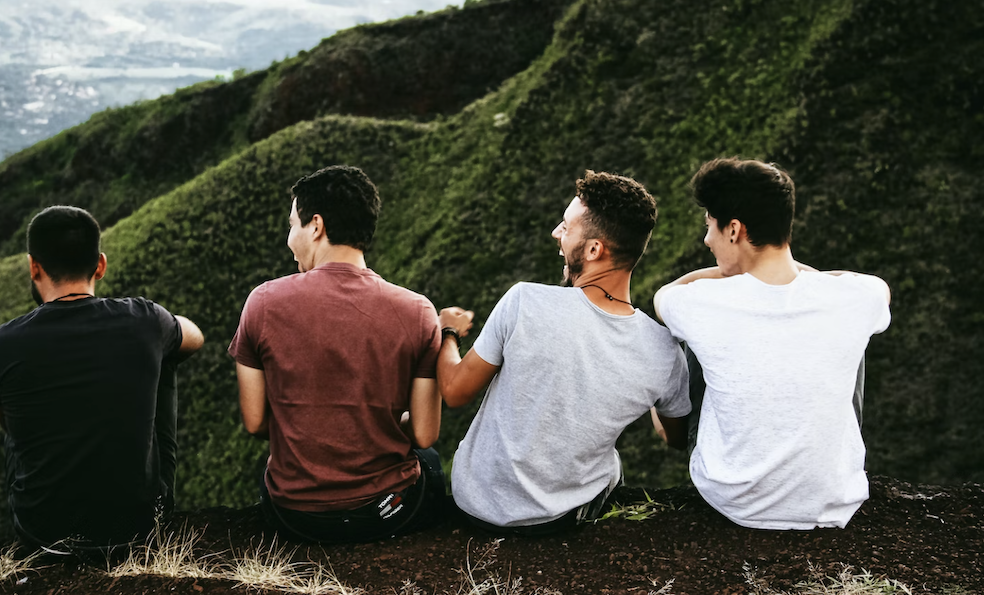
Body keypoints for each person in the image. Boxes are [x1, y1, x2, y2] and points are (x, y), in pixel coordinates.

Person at [437, 170, 692, 535]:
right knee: (612, 464)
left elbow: (454, 391)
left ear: (593, 250)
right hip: (560, 520)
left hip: (475, 505)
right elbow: (675, 438)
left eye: (566, 227)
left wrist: (448, 332)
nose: (556, 233)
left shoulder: (524, 300)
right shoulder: (664, 351)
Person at [653, 157, 891, 530]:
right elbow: (875, 287)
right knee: (850, 334)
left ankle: (678, 440)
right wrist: (800, 275)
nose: (706, 240)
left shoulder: (699, 301)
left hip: (733, 499)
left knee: (690, 339)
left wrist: (727, 273)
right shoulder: (857, 297)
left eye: (710, 227)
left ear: (734, 229)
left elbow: (664, 296)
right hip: (831, 501)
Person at [230, 165, 445, 543]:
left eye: (292, 225)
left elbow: (255, 422)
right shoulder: (419, 311)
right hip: (385, 513)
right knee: (430, 462)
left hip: (295, 516)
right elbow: (425, 433)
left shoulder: (262, 302)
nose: (288, 239)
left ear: (316, 226)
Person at [0, 206, 204, 551]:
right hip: (136, 525)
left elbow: (10, 426)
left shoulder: (1, 343)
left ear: (33, 266)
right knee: (166, 356)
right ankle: (154, 502)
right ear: (100, 265)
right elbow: (195, 337)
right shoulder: (144, 319)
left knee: (19, 413)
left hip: (41, 530)